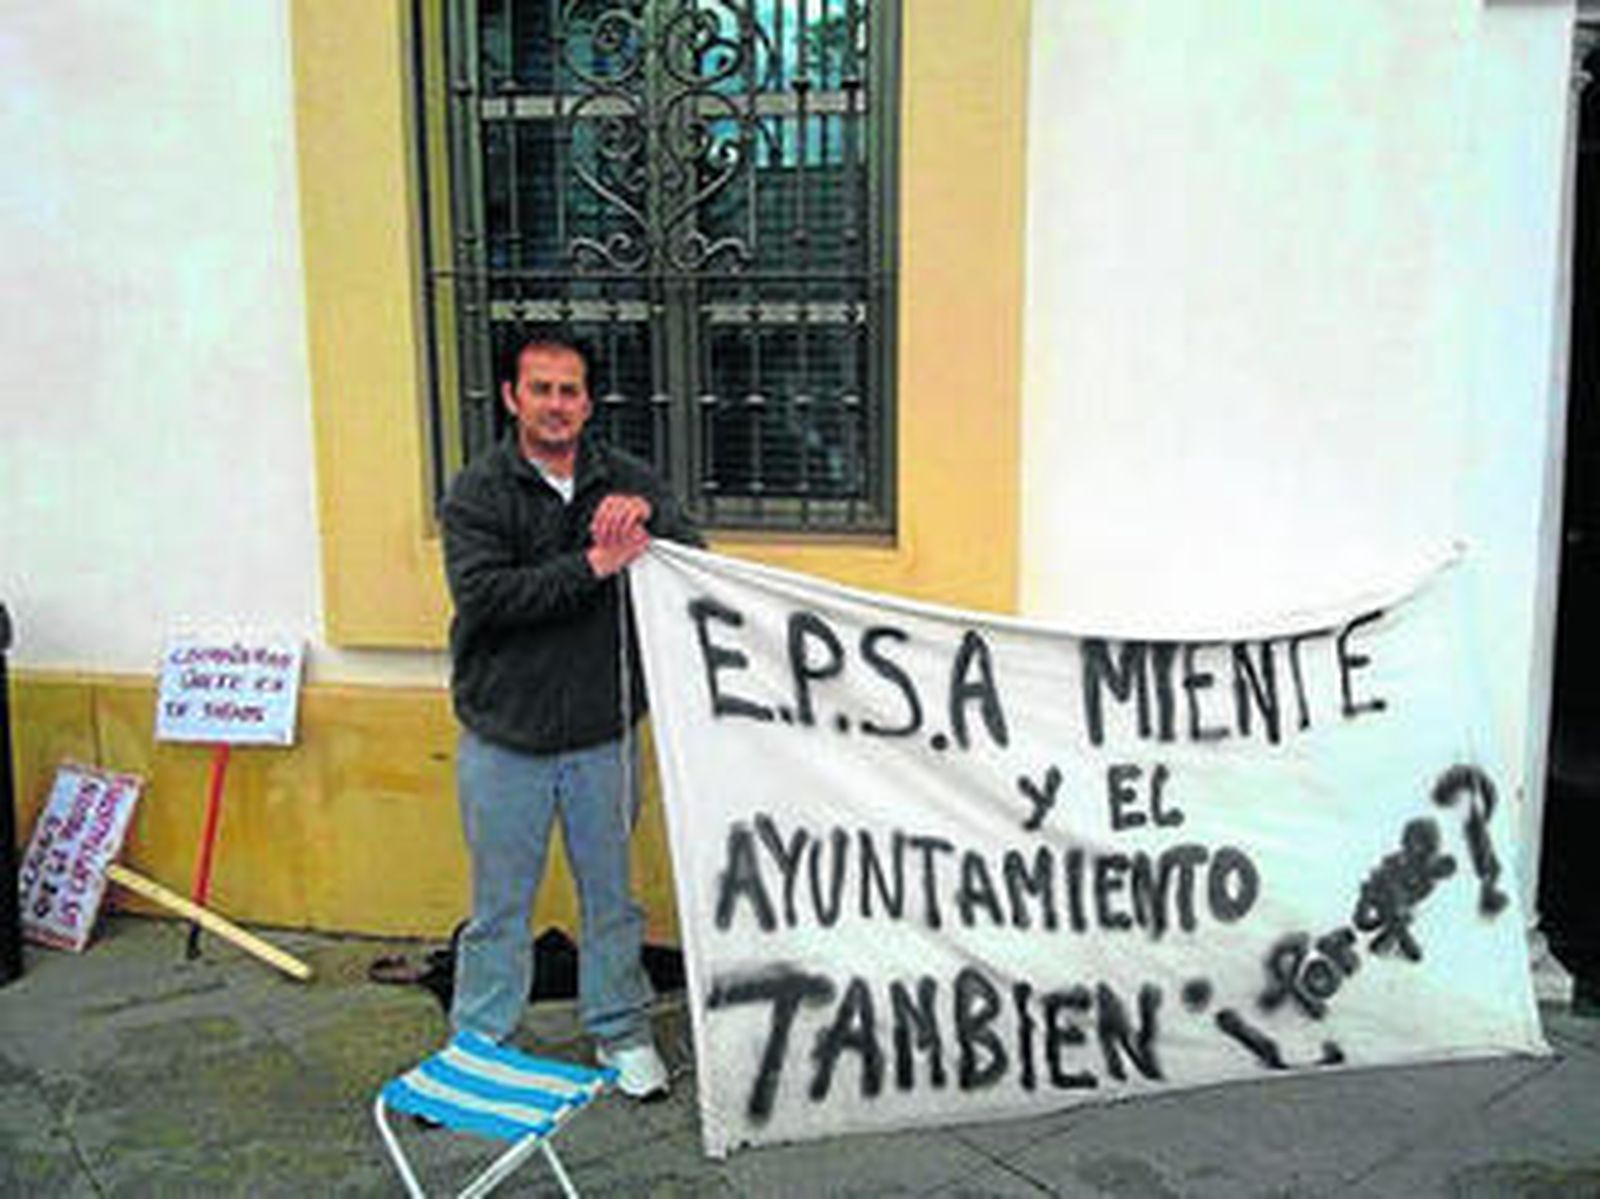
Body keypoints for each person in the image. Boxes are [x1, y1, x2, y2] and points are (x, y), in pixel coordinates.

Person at [439, 334, 701, 1098]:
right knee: (499, 904)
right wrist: (594, 564)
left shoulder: (625, 476)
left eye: (571, 391)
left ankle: (620, 1031)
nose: (557, 404)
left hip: (603, 734)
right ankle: (481, 1041)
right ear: (513, 396)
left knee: (611, 896)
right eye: (542, 388)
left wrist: (650, 514)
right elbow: (488, 596)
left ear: (588, 402)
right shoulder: (478, 491)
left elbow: (692, 552)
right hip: (504, 737)